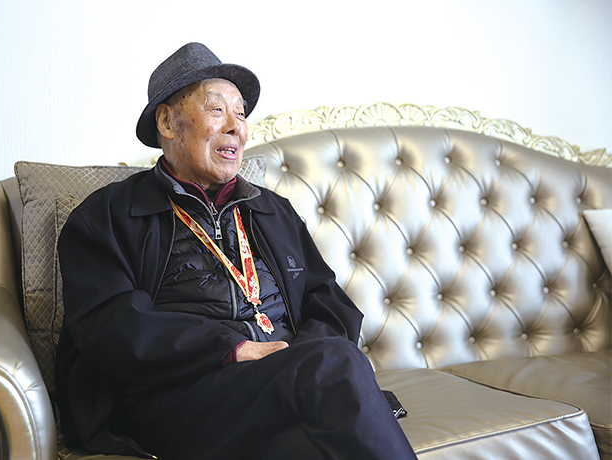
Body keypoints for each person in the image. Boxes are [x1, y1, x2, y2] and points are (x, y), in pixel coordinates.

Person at [55, 42, 417, 460]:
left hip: (285, 385)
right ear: (167, 122)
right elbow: (111, 324)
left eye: (241, 114)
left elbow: (327, 300)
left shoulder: (272, 210)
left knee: (309, 444)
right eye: (217, 110)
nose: (236, 128)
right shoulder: (107, 217)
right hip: (182, 399)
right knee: (335, 364)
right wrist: (231, 349)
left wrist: (304, 357)